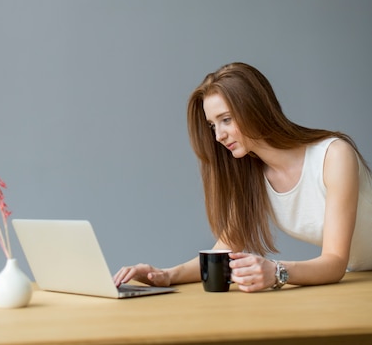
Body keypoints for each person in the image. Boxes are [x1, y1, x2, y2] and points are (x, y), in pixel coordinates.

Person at [114, 62, 372, 292]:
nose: (218, 136)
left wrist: (276, 272)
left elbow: (335, 261)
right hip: (360, 280)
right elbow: (223, 251)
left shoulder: (334, 156)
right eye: (213, 125)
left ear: (255, 109)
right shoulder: (254, 176)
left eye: (226, 119)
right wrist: (164, 275)